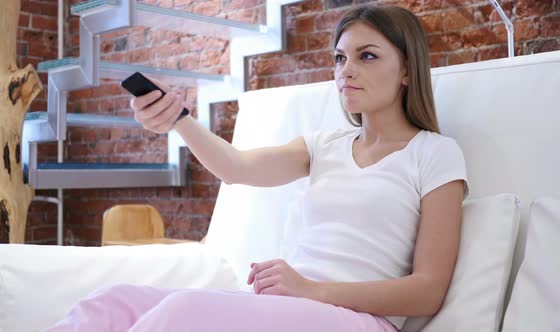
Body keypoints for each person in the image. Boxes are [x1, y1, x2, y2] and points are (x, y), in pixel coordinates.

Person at [45, 4, 469, 332]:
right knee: (109, 303)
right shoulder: (325, 146)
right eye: (340, 58)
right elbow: (237, 167)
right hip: (290, 307)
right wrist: (179, 120)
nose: (346, 71)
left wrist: (311, 289)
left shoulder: (434, 153)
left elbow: (428, 291)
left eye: (367, 56)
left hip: (357, 319)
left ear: (408, 72)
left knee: (184, 312)